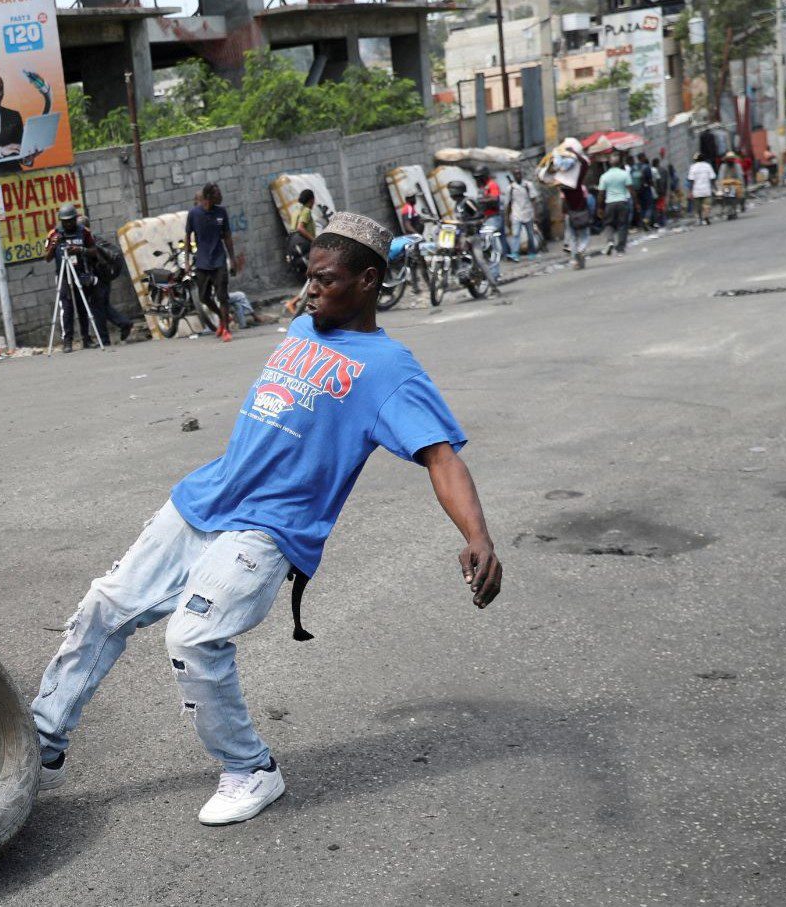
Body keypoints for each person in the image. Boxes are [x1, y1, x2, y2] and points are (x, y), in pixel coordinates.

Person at [29, 211, 502, 827]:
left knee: (192, 638)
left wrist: (478, 537)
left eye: (325, 280)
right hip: (206, 498)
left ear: (368, 280)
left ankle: (251, 770)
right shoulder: (305, 324)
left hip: (269, 529)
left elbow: (441, 457)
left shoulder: (391, 371)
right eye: (308, 276)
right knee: (102, 606)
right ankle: (37, 745)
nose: (310, 291)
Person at [184, 182, 240, 341]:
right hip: (202, 262)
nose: (221, 196)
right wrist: (187, 261)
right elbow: (188, 236)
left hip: (219, 261)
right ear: (208, 197)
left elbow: (227, 236)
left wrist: (232, 259)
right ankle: (223, 318)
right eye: (217, 194)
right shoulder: (194, 214)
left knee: (223, 296)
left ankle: (226, 330)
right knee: (204, 297)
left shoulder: (221, 213)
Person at [43, 203, 102, 353]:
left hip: (79, 273)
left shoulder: (84, 232)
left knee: (83, 306)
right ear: (61, 221)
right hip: (63, 274)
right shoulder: (54, 234)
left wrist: (80, 250)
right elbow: (47, 258)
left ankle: (86, 338)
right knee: (67, 307)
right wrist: (53, 246)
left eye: (71, 220)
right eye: (65, 221)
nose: (68, 224)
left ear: (76, 218)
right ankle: (67, 341)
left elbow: (94, 251)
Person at [79, 214, 135, 344]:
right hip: (105, 276)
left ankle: (104, 339)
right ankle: (123, 324)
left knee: (96, 308)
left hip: (98, 279)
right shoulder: (96, 238)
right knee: (102, 306)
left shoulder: (88, 242)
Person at [281, 189, 317, 317]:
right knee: (315, 276)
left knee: (312, 278)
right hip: (303, 249)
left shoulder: (296, 210)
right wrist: (314, 241)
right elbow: (300, 228)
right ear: (311, 200)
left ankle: (298, 303)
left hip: (293, 248)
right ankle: (293, 302)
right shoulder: (306, 211)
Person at [597, 155, 633, 256]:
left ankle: (610, 241)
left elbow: (601, 193)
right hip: (622, 202)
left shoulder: (604, 176)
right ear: (620, 163)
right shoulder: (624, 174)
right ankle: (620, 249)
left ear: (610, 164)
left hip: (610, 203)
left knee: (608, 224)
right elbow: (631, 189)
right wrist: (636, 202)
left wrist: (599, 207)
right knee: (622, 225)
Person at [504, 174, 535, 262]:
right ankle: (515, 253)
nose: (518, 176)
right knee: (516, 234)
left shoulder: (528, 185)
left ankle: (532, 252)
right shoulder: (510, 188)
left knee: (530, 235)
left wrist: (535, 214)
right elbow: (508, 204)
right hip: (516, 214)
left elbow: (533, 199)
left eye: (519, 174)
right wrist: (507, 217)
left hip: (528, 213)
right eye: (516, 174)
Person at [687, 153, 717, 226]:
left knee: (697, 206)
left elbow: (691, 180)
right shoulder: (707, 166)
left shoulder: (693, 167)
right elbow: (712, 177)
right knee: (706, 205)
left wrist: (690, 191)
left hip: (696, 190)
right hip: (706, 189)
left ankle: (699, 219)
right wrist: (714, 187)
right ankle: (706, 217)